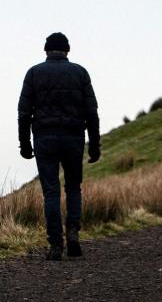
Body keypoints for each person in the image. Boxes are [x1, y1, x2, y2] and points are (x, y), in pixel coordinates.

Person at [17, 32, 101, 261]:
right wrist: (94, 145)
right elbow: (91, 112)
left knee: (51, 192)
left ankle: (55, 244)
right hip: (74, 138)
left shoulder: (34, 73)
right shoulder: (80, 72)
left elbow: (24, 112)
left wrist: (24, 143)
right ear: (67, 50)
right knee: (73, 188)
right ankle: (73, 234)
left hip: (45, 139)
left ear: (46, 51)